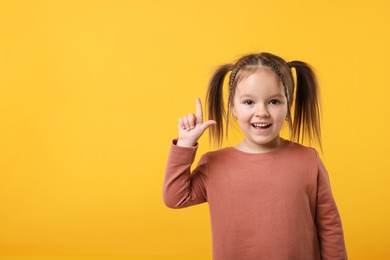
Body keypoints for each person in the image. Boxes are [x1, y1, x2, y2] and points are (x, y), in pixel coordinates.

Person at [163, 52, 347, 260]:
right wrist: (185, 145)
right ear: (233, 107)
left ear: (288, 106)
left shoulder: (308, 160)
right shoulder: (214, 164)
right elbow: (175, 198)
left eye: (274, 102)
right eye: (249, 102)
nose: (262, 112)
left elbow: (329, 227)